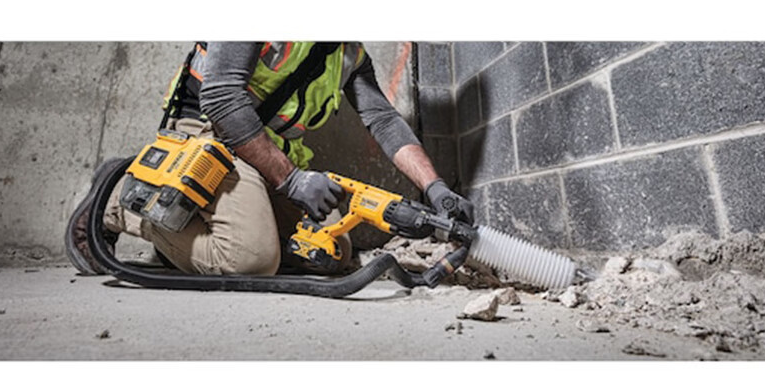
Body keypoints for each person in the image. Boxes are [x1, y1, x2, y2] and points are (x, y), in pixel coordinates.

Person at [66, 41, 474, 276]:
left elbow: (382, 119)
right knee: (249, 261)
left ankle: (188, 227)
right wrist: (292, 180)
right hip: (211, 135)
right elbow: (221, 97)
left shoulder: (348, 52)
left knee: (331, 250)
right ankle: (117, 199)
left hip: (267, 153)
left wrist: (434, 188)